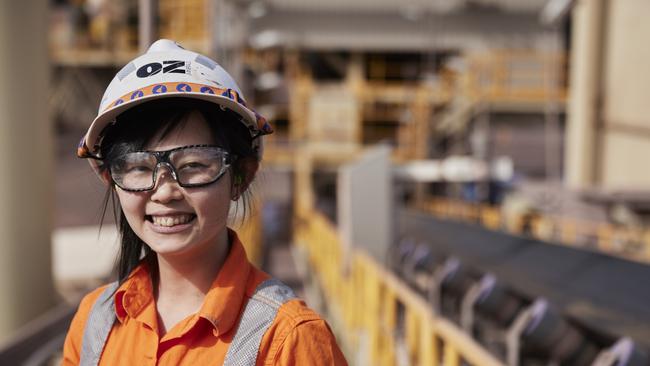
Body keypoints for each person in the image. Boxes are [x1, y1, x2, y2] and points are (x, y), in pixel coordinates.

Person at [62, 39, 347, 365]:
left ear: (240, 176)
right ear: (111, 180)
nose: (165, 192)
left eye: (194, 165)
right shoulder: (94, 323)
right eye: (139, 167)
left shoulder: (289, 341)